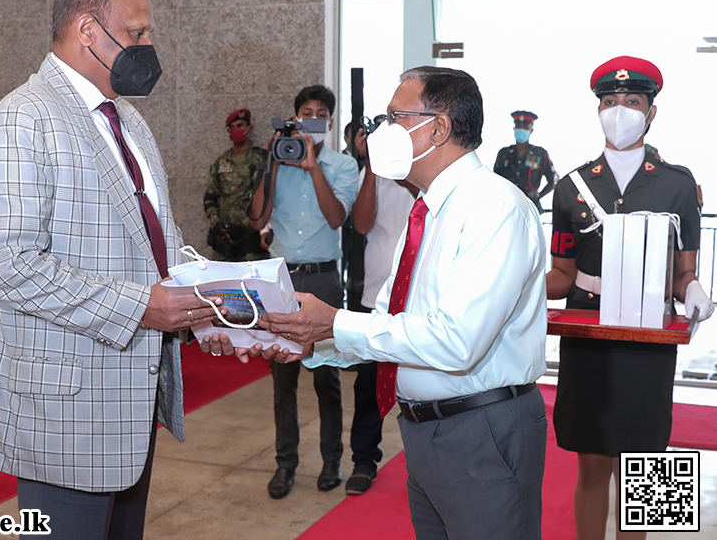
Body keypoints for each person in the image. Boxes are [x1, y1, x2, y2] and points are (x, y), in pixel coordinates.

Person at [222, 66, 548, 538]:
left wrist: (333, 323)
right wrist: (310, 343)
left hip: (481, 432)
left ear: (439, 128)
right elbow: (390, 325)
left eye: (395, 117)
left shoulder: (493, 208)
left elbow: (457, 342)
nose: (382, 131)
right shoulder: (429, 209)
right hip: (424, 431)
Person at [0, 0, 224, 540]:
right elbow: (6, 266)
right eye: (137, 34)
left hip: (128, 401)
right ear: (88, 30)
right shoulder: (23, 117)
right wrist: (141, 307)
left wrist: (215, 295)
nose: (149, 47)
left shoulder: (128, 121)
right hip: (63, 408)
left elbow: (156, 244)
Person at [547, 56, 714, 540]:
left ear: (651, 112)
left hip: (648, 333)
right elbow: (562, 274)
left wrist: (695, 291)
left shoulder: (678, 183)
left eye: (632, 101)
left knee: (648, 471)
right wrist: (519, 287)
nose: (619, 110)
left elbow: (685, 272)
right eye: (609, 101)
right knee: (592, 465)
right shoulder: (572, 186)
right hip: (588, 332)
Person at [249, 84, 358, 499]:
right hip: (280, 280)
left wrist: (313, 168)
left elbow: (336, 219)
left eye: (319, 114)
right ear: (294, 118)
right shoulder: (278, 159)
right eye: (304, 113)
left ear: (328, 122)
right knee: (283, 379)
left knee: (327, 379)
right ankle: (285, 464)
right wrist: (273, 164)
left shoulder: (343, 166)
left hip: (323, 280)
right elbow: (256, 216)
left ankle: (332, 460)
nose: (311, 120)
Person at [342, 122, 419, 495]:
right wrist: (373, 166)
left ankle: (423, 460)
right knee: (368, 384)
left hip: (421, 297)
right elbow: (360, 223)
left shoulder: (426, 169)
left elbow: (425, 197)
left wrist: (402, 165)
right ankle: (363, 459)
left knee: (423, 383)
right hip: (377, 295)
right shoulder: (370, 172)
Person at [203, 108, 269, 261]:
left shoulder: (259, 160)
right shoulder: (221, 161)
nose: (235, 130)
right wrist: (217, 224)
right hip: (224, 242)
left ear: (249, 129)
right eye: (231, 127)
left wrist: (246, 226)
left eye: (239, 125)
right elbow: (211, 196)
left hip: (250, 239)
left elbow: (265, 198)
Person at [493, 110, 558, 212]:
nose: (521, 129)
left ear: (531, 130)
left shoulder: (540, 154)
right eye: (518, 126)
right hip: (507, 206)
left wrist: (538, 197)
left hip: (531, 207)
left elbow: (553, 180)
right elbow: (495, 180)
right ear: (514, 128)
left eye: (525, 126)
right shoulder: (504, 153)